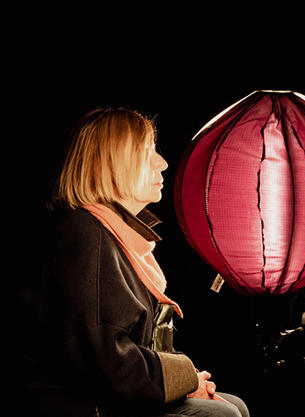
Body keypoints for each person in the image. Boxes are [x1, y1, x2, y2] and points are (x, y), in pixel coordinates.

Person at [24, 108, 249, 417]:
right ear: (111, 163)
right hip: (90, 405)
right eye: (147, 151)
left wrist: (193, 382)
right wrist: (186, 379)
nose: (163, 163)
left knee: (235, 405)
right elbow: (105, 361)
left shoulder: (113, 233)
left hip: (119, 394)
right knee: (224, 414)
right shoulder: (87, 234)